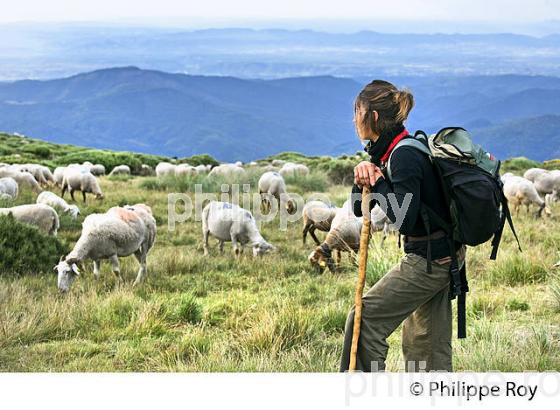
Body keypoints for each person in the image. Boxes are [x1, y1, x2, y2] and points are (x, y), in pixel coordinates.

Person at [339, 80, 465, 372]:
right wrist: (364, 178)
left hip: (430, 260)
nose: (354, 120)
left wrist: (379, 180)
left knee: (364, 319)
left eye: (356, 112)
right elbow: (361, 208)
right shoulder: (389, 150)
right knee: (425, 349)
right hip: (441, 256)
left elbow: (402, 219)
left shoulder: (404, 155)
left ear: (371, 117)